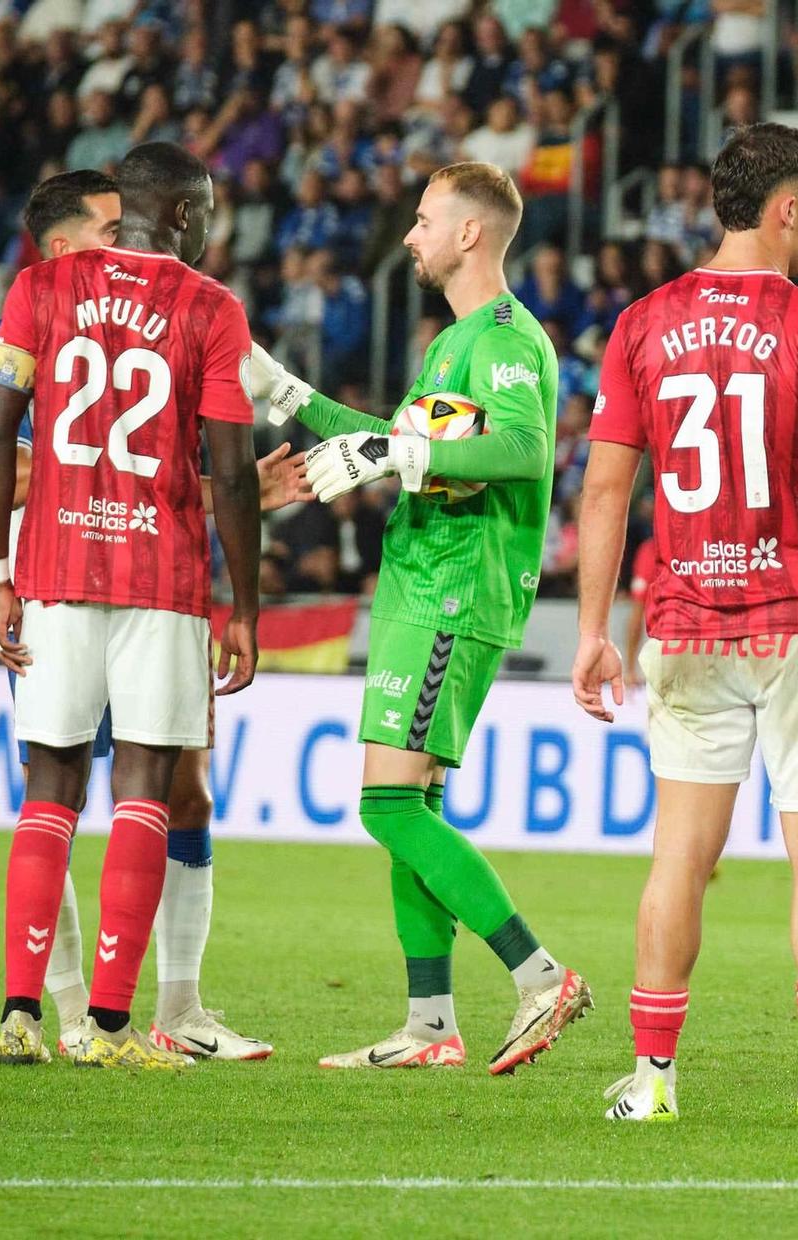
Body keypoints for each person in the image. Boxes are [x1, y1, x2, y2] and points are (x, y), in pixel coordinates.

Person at [571, 123, 798, 1129]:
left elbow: (604, 488)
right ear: (784, 208)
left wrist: (596, 626)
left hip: (684, 621)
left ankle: (650, 1078)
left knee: (678, 854)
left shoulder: (642, 322)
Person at [252, 162, 591, 1076]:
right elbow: (391, 444)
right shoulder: (452, 346)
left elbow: (522, 450)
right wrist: (281, 390)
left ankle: (538, 973)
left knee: (387, 803)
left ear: (471, 233)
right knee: (417, 803)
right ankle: (431, 1026)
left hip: (456, 587)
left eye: (424, 218)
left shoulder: (508, 339)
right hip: (420, 583)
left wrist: (398, 448)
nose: (409, 234)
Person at [0, 168, 306, 1062]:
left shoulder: (37, 291)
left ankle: (22, 1012)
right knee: (144, 793)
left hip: (54, 570)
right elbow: (232, 471)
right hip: (161, 582)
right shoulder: (210, 305)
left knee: (50, 794)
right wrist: (246, 605)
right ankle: (112, 1026)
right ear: (179, 215)